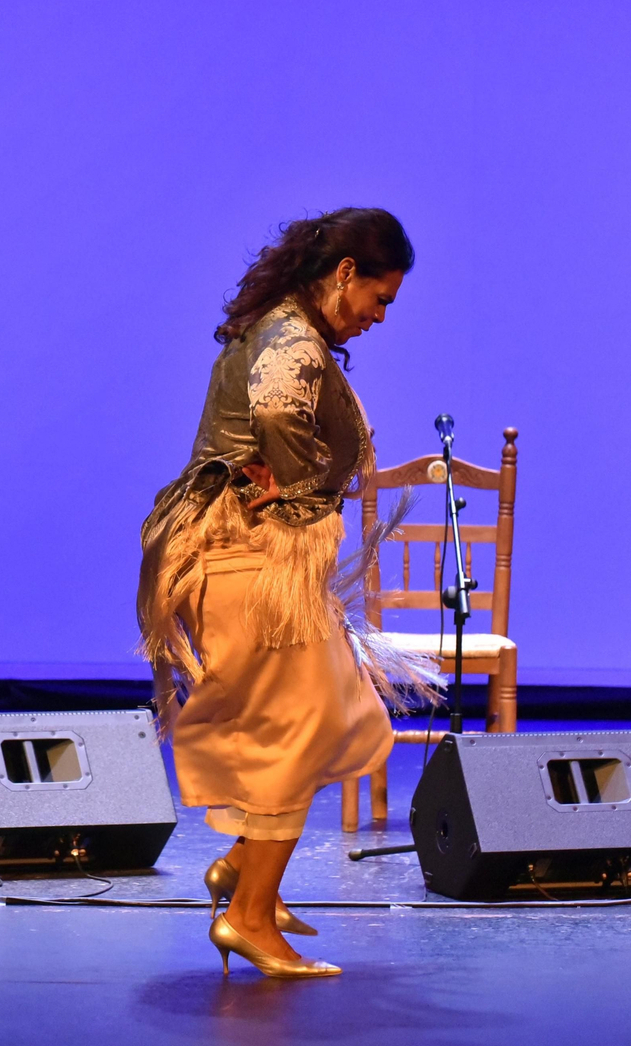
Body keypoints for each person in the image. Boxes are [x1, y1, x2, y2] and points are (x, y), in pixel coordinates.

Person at [139, 208, 429, 978]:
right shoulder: (292, 337)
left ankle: (247, 877)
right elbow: (273, 409)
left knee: (343, 712)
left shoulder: (287, 328)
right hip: (245, 559)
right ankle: (245, 917)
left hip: (261, 563)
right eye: (381, 297)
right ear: (344, 275)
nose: (379, 315)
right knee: (293, 727)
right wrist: (301, 490)